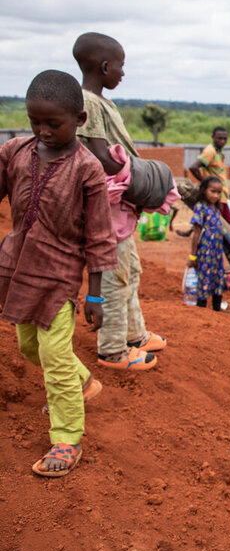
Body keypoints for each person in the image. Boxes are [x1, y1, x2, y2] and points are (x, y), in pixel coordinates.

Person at [1, 70, 118, 476]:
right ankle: (83, 381)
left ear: (79, 120)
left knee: (53, 356)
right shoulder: (15, 152)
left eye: (54, 123)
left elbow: (100, 236)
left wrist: (97, 295)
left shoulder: (87, 169)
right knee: (28, 348)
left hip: (60, 277)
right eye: (36, 122)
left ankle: (67, 439)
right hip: (19, 268)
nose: (43, 131)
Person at [73, 32, 165, 370]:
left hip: (119, 207)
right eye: (121, 66)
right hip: (105, 207)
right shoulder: (87, 102)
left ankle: (133, 334)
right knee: (114, 276)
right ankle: (112, 348)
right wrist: (141, 179)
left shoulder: (103, 102)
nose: (123, 73)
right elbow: (100, 155)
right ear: (105, 66)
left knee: (131, 270)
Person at [188, 177, 227, 311]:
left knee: (217, 278)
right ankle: (201, 309)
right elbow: (196, 233)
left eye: (219, 192)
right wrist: (192, 256)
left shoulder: (216, 208)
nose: (216, 195)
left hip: (216, 254)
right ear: (204, 190)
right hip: (205, 252)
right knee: (204, 277)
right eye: (212, 191)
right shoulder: (200, 207)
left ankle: (216, 309)